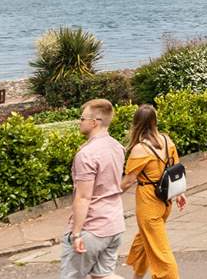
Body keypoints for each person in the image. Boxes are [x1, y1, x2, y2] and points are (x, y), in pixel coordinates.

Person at [62, 99, 125, 279]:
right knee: (102, 276)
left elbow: (83, 197)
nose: (79, 122)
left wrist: (76, 234)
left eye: (82, 118)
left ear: (94, 122)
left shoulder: (86, 155)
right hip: (114, 223)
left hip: (92, 227)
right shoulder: (117, 147)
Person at [122, 105, 186, 279]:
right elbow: (175, 170)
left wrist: (105, 194)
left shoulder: (140, 150)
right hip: (165, 202)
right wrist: (180, 193)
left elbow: (128, 181)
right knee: (145, 240)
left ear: (136, 124)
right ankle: (138, 275)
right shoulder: (167, 141)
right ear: (155, 121)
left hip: (148, 204)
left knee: (161, 253)